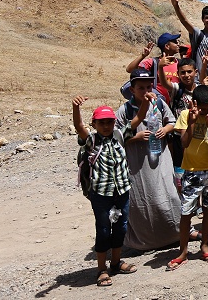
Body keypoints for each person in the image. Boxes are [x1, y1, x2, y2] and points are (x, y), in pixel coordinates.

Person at [73, 97, 138, 287]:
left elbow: (138, 119)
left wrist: (145, 102)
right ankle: (101, 269)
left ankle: (116, 263)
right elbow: (78, 126)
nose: (106, 126)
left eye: (109, 122)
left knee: (121, 228)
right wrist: (76, 107)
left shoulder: (119, 135)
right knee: (103, 230)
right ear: (94, 124)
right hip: (101, 194)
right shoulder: (91, 141)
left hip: (122, 191)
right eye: (101, 123)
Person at [115, 69, 181, 251]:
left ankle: (176, 233)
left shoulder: (159, 103)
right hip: (138, 164)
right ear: (132, 90)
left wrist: (165, 130)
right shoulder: (125, 110)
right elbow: (115, 137)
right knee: (143, 200)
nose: (145, 91)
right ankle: (146, 240)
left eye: (148, 87)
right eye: (141, 88)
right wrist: (135, 137)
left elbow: (172, 122)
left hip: (161, 158)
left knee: (169, 194)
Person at [168, 86, 208, 270]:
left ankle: (205, 245)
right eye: (200, 107)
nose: (203, 110)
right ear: (193, 103)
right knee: (186, 212)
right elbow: (184, 143)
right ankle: (183, 251)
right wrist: (192, 122)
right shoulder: (185, 115)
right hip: (192, 170)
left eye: (206, 107)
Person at [125, 33, 182, 102]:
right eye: (175, 42)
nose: (178, 44)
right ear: (167, 46)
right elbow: (129, 69)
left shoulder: (179, 63)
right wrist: (143, 56)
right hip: (158, 103)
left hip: (176, 103)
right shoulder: (154, 62)